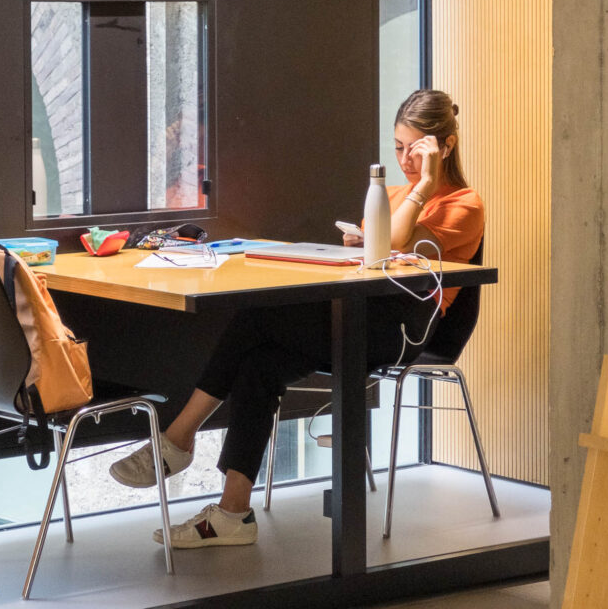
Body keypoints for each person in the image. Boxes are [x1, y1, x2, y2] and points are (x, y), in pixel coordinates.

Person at [109, 89, 484, 550]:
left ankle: (177, 437)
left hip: (401, 333)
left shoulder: (464, 204)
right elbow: (379, 251)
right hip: (361, 316)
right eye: (399, 148)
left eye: (417, 149)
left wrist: (423, 185)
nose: (406, 160)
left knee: (255, 321)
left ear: (445, 146)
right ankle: (233, 514)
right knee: (259, 363)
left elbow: (395, 240)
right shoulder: (391, 194)